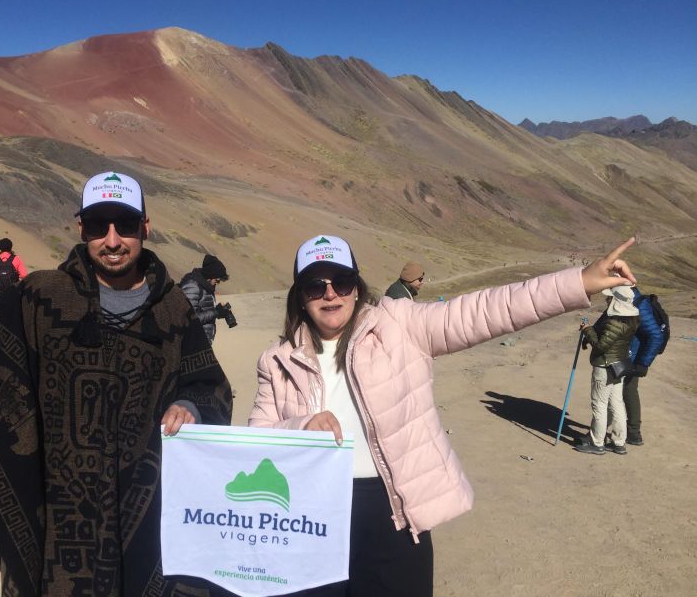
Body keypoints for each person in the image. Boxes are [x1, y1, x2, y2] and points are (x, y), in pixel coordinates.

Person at [0, 171, 232, 596]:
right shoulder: (41, 296)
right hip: (55, 514)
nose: (112, 240)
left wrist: (191, 406)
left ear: (145, 227)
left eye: (125, 225)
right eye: (97, 225)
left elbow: (210, 385)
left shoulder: (173, 309)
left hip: (145, 515)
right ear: (80, 228)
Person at [249, 233, 635, 597]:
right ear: (300, 297)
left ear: (357, 286)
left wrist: (580, 282)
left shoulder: (400, 325)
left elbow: (487, 310)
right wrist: (301, 429)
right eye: (316, 285)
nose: (330, 293)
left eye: (342, 280)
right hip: (308, 519)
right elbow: (256, 442)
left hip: (392, 514)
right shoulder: (277, 360)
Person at [574, 285, 640, 455]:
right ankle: (619, 442)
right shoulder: (632, 318)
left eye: (610, 297)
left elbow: (601, 345)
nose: (606, 299)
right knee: (616, 404)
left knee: (600, 404)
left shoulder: (615, 321)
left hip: (605, 366)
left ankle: (597, 443)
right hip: (619, 365)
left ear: (616, 300)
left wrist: (587, 330)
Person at [623, 287, 668, 446]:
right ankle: (631, 433)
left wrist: (643, 364)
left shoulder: (639, 305)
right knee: (626, 391)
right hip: (628, 355)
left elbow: (656, 335)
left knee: (624, 391)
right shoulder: (626, 299)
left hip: (633, 358)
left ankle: (633, 433)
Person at [179, 254, 232, 344]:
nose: (218, 283)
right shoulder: (192, 286)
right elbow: (189, 319)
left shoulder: (206, 286)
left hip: (202, 340)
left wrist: (220, 312)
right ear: (210, 275)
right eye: (217, 280)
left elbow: (203, 310)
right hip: (192, 341)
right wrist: (216, 312)